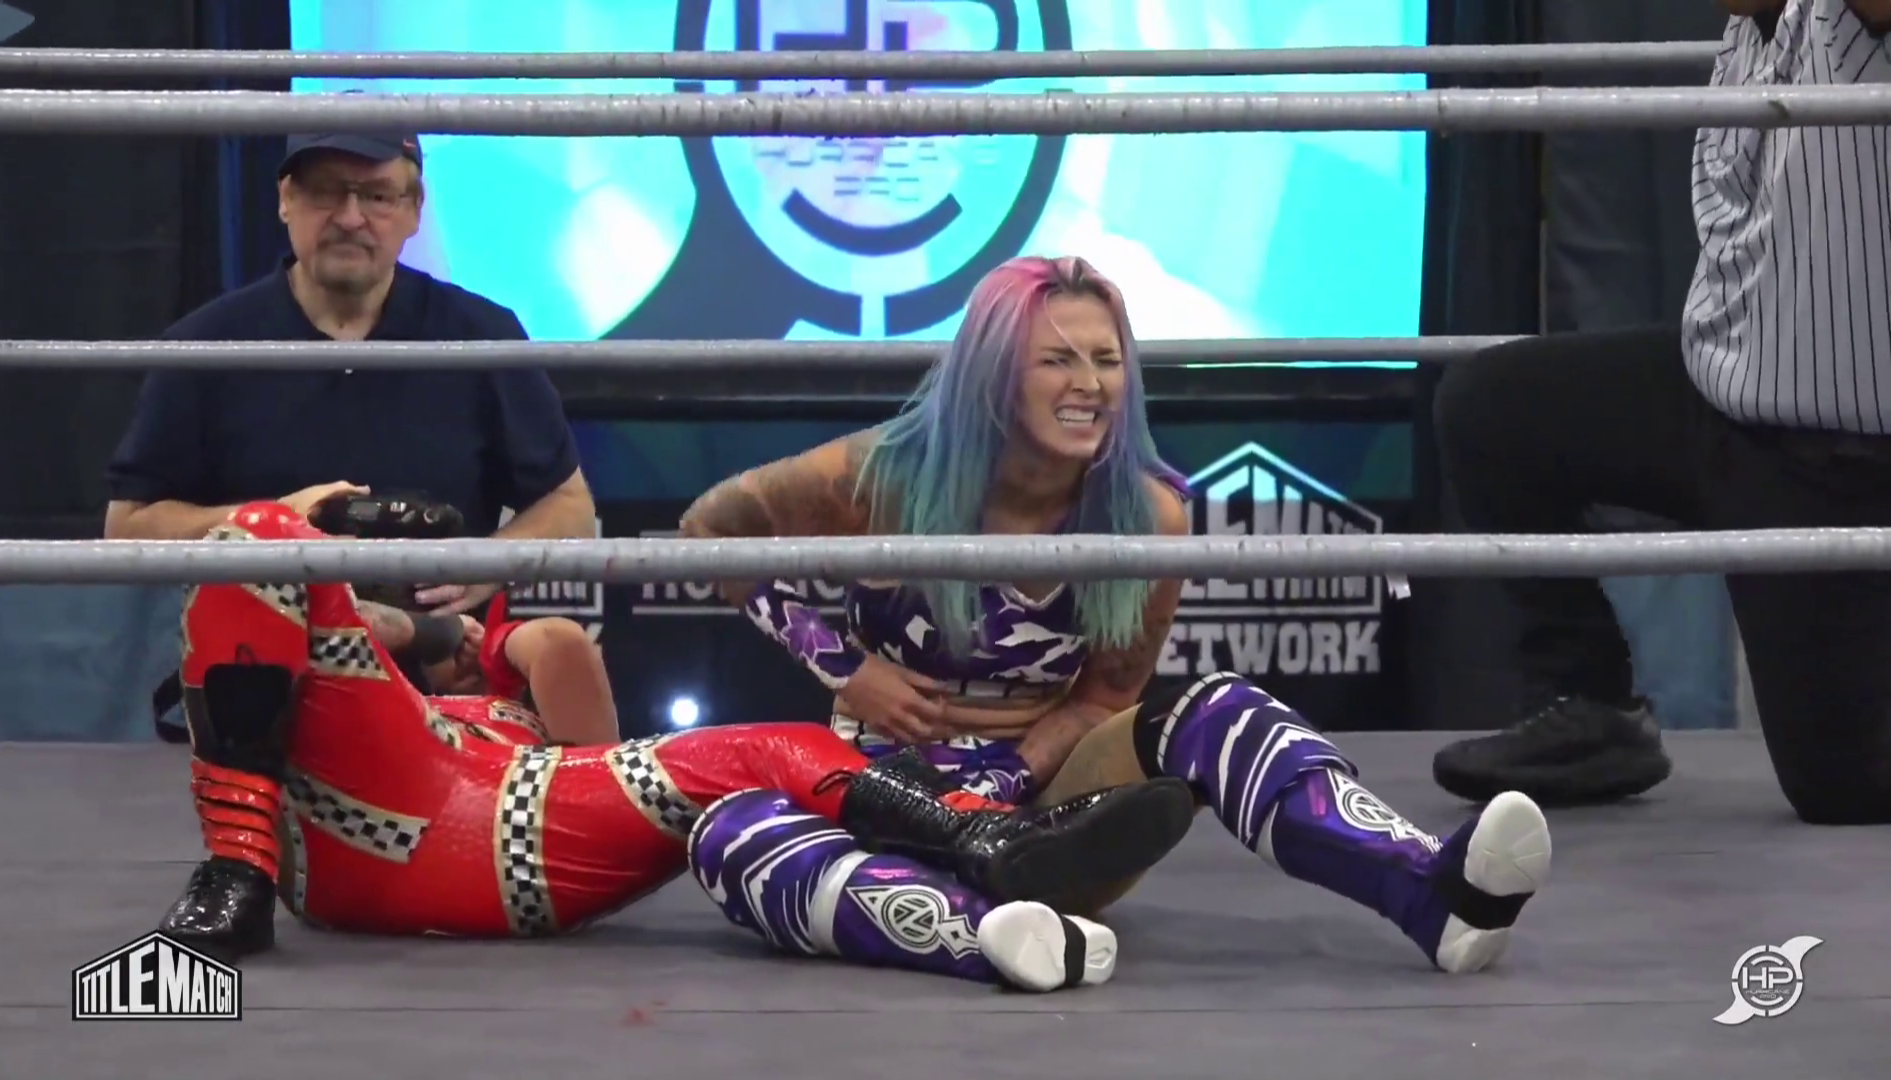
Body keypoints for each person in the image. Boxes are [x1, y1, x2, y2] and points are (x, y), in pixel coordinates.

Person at [680, 255, 1555, 973]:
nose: (1089, 384)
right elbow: (706, 530)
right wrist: (848, 668)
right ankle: (992, 940)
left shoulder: (1148, 515)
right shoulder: (883, 476)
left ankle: (1430, 892)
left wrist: (1007, 784)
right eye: (1058, 360)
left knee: (1216, 709)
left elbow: (1104, 698)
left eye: (1105, 359)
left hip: (1049, 809)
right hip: (888, 794)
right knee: (732, 835)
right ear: (993, 373)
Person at [156, 502, 1198, 994]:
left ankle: (990, 927)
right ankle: (989, 837)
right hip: (405, 833)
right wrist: (375, 586)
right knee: (255, 537)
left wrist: (455, 639)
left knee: (757, 820)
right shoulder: (342, 705)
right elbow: (269, 580)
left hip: (495, 834)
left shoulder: (496, 684)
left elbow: (563, 661)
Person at [1429, 0, 1891, 822]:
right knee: (1489, 410)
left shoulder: (1853, 23)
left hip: (1835, 463)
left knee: (1843, 788)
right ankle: (1589, 707)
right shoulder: (1750, 33)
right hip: (1716, 402)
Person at [104, 126, 594, 620]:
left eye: (377, 196)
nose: (350, 217)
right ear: (285, 199)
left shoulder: (482, 336)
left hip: (439, 661)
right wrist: (266, 525)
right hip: (257, 660)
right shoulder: (205, 346)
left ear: (415, 209)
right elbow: (127, 527)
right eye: (325, 191)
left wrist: (487, 563)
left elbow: (569, 505)